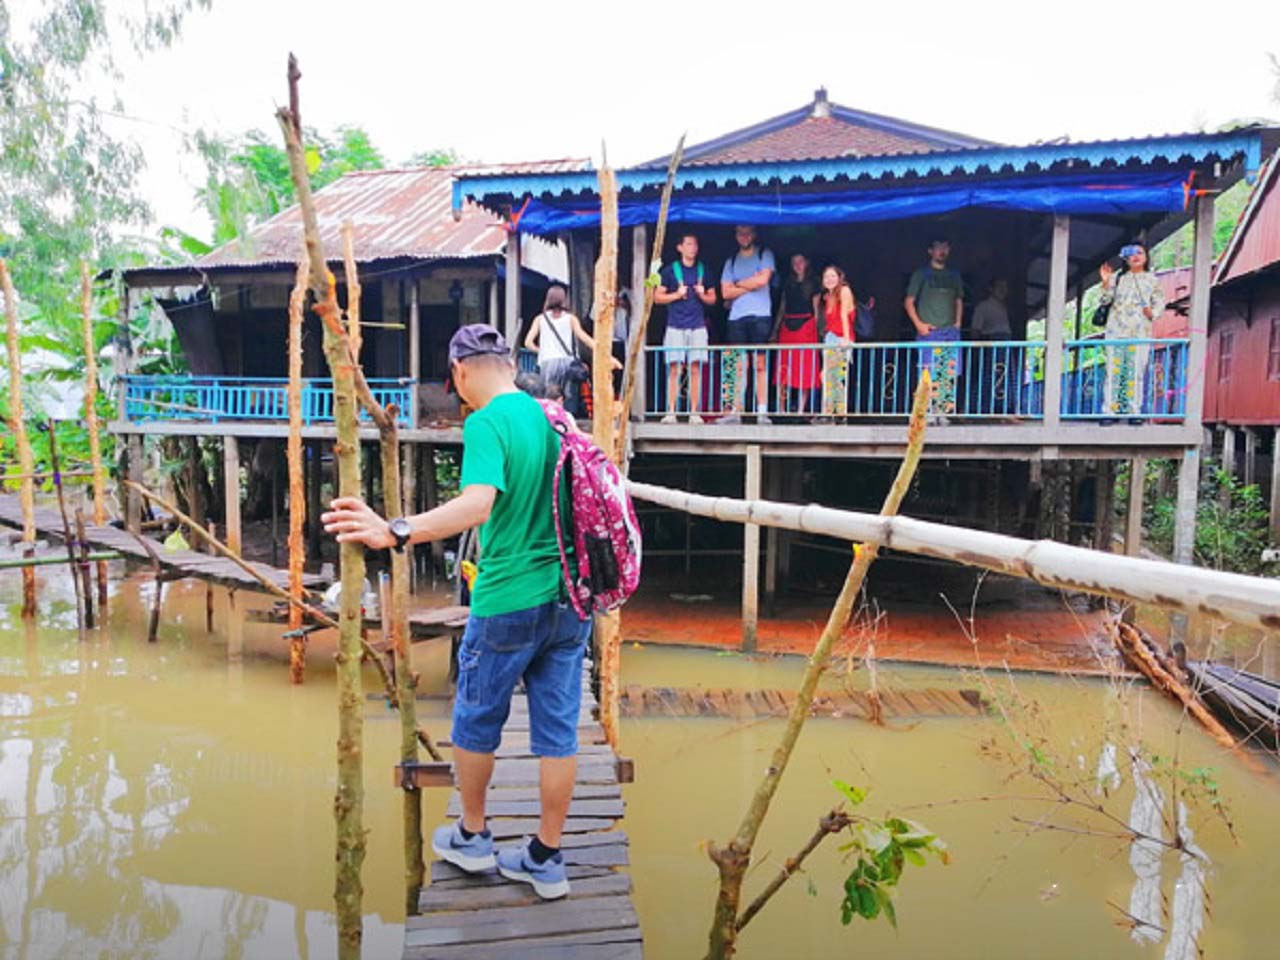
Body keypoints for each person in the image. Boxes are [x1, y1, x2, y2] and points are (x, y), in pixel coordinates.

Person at [321, 323, 590, 901]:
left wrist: (395, 530)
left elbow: (477, 504)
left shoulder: (487, 421)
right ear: (510, 364)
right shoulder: (554, 418)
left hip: (509, 600)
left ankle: (472, 836)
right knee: (558, 733)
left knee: (476, 718)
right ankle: (546, 857)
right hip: (570, 601)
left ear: (462, 372)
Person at [524, 284, 618, 417]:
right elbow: (584, 338)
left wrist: (542, 351)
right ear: (564, 300)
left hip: (547, 362)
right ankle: (567, 420)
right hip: (567, 363)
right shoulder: (570, 318)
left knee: (548, 395)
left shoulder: (540, 319)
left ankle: (549, 420)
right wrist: (605, 353)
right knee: (568, 396)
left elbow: (528, 343)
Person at [1098, 242, 1165, 423]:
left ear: (1146, 257)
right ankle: (1109, 412)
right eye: (1132, 253)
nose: (1136, 256)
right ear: (1126, 258)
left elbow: (1159, 302)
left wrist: (1153, 313)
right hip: (1116, 332)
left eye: (1140, 253)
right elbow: (1105, 300)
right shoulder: (1118, 278)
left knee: (1135, 373)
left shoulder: (1152, 280)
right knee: (1114, 372)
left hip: (1140, 332)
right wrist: (1106, 282)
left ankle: (1133, 411)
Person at [655, 232, 716, 423]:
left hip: (697, 325)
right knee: (674, 369)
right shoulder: (668, 271)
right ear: (680, 247)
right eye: (689, 244)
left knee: (695, 368)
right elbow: (657, 297)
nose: (693, 248)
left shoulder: (703, 270)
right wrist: (676, 295)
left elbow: (713, 299)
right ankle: (671, 411)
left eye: (695, 244)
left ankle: (694, 412)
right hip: (675, 325)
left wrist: (702, 294)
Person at [720, 225, 776, 424]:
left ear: (754, 234)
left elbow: (763, 280)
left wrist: (737, 285)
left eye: (747, 232)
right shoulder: (731, 260)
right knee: (738, 364)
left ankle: (762, 411)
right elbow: (725, 294)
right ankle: (736, 410)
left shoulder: (764, 254)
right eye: (739, 233)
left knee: (760, 364)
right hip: (736, 317)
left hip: (760, 315)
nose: (744, 236)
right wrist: (750, 282)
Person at [905, 238, 964, 422]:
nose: (942, 251)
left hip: (949, 331)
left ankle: (942, 412)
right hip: (929, 332)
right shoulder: (921, 274)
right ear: (930, 251)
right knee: (927, 372)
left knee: (947, 372)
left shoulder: (954, 275)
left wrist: (958, 323)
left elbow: (958, 300)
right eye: (939, 248)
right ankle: (925, 411)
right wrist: (919, 325)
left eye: (945, 247)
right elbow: (908, 302)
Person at [770, 253, 820, 418]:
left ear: (807, 262)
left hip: (806, 325)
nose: (797, 265)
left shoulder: (814, 283)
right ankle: (782, 408)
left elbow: (816, 310)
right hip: (787, 326)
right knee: (785, 367)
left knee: (805, 367)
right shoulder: (787, 282)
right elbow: (783, 307)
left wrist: (818, 331)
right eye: (794, 263)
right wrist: (775, 331)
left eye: (800, 261)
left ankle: (801, 408)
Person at [971, 278, 1015, 414]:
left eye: (1005, 287)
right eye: (999, 287)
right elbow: (975, 330)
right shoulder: (984, 306)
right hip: (993, 343)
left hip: (1005, 343)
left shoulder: (1003, 307)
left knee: (1006, 377)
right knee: (988, 377)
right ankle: (975, 408)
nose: (1003, 291)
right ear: (991, 289)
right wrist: (979, 348)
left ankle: (1004, 409)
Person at [818, 264, 856, 419]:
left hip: (841, 337)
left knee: (835, 374)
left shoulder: (844, 291)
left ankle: (837, 412)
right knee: (827, 375)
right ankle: (832, 410)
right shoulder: (829, 296)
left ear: (840, 277)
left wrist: (846, 339)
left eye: (833, 276)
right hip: (831, 337)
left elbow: (844, 316)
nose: (829, 279)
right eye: (826, 277)